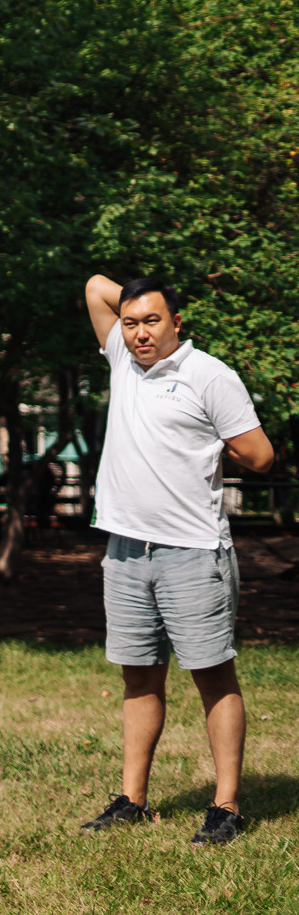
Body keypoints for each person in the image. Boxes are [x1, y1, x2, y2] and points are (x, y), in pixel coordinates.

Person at [78, 274, 273, 846]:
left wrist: (213, 443)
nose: (139, 333)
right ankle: (132, 800)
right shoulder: (121, 356)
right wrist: (140, 299)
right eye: (132, 322)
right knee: (138, 678)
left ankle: (227, 807)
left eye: (153, 321)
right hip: (126, 549)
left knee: (212, 675)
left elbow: (260, 455)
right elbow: (95, 287)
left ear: (178, 322)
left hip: (192, 551)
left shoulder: (208, 374)